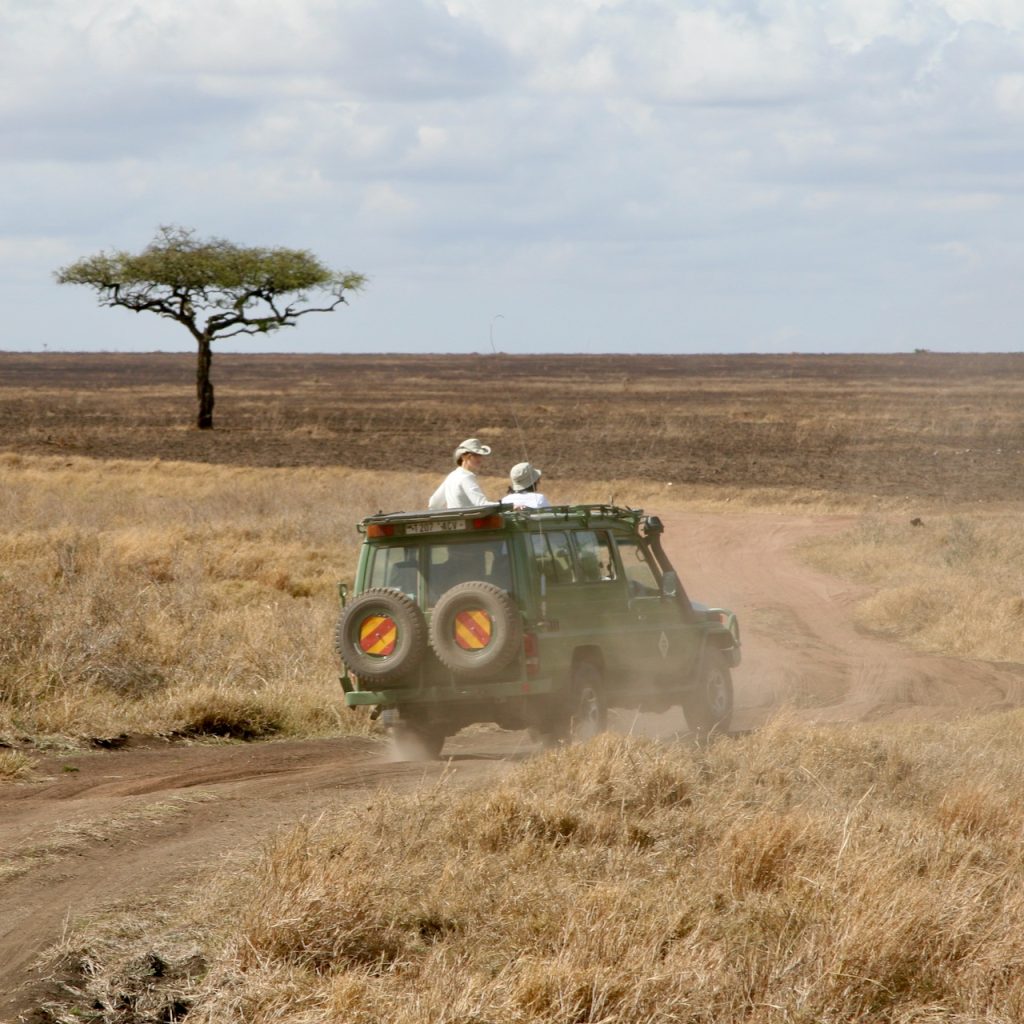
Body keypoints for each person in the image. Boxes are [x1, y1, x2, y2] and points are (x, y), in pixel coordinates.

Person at [428, 438, 493, 509]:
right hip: (468, 519)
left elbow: (434, 503)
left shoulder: (452, 476)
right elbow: (481, 503)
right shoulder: (466, 477)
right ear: (464, 457)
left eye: (480, 455)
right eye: (475, 455)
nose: (480, 459)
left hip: (453, 519)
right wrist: (503, 505)